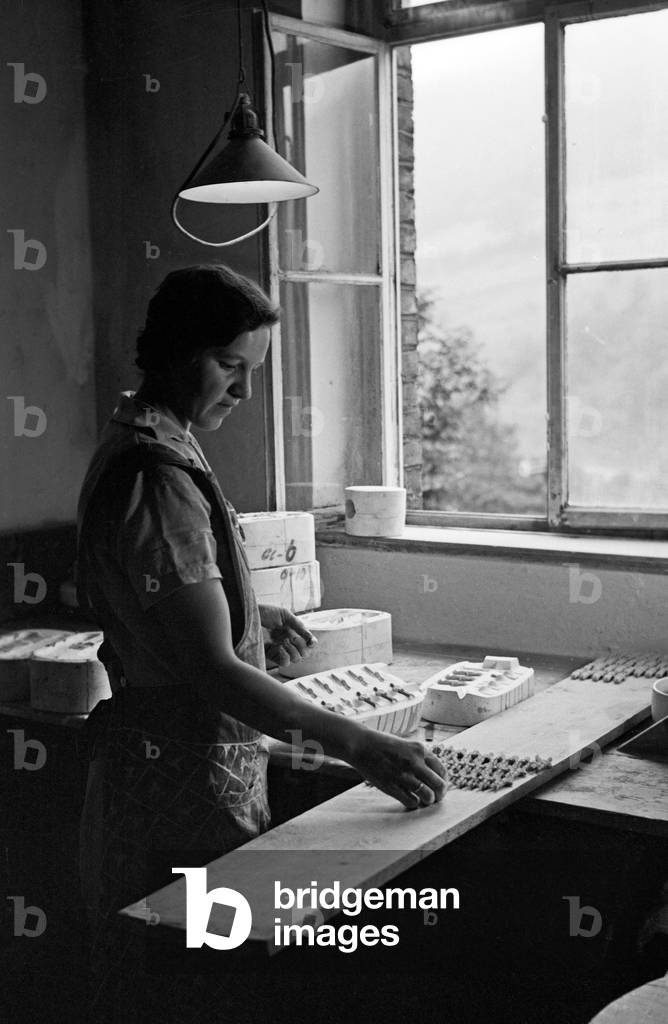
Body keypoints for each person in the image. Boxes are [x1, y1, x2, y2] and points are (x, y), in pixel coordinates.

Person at [76, 264, 446, 1020]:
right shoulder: (158, 474)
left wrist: (249, 619)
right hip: (174, 774)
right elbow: (210, 672)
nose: (244, 392)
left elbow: (177, 613)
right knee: (192, 980)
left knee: (197, 972)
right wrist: (359, 745)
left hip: (188, 759)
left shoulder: (154, 438)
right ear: (176, 351)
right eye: (229, 367)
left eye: (253, 371)